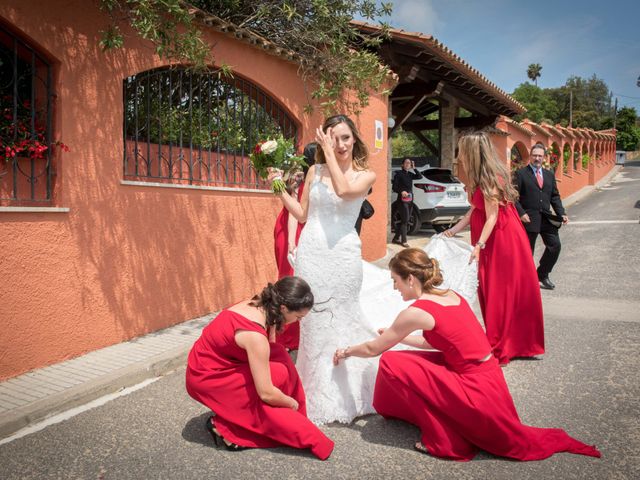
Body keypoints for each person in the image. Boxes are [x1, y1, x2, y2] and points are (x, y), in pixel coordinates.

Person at [334, 248, 601, 462]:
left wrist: (346, 351)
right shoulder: (452, 296)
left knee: (391, 361)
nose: (395, 288)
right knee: (399, 358)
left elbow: (374, 349)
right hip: (490, 379)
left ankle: (443, 439)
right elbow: (442, 343)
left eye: (395, 281)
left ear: (411, 279)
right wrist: (401, 336)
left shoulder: (415, 312)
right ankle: (442, 425)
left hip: (473, 389)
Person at [268, 114, 380, 424]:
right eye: (333, 139)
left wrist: (327, 152)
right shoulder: (315, 171)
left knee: (342, 317)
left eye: (344, 138)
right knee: (314, 323)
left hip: (343, 255)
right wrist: (279, 188)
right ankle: (314, 391)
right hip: (312, 252)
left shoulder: (365, 175)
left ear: (354, 139)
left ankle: (350, 393)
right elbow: (302, 214)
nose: (340, 144)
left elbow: (344, 191)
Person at [185, 276, 334, 460]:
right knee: (266, 402)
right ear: (283, 308)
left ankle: (273, 417)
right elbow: (266, 393)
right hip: (207, 377)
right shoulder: (255, 337)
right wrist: (290, 403)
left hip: (220, 362)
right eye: (298, 317)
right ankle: (224, 428)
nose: (298, 322)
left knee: (280, 358)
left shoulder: (263, 303)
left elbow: (271, 345)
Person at [444, 131, 544, 365]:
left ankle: (500, 345)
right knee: (493, 291)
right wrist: (453, 230)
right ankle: (512, 342)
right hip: (493, 238)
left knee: (499, 292)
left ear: (473, 154)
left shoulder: (491, 179)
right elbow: (474, 211)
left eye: (463, 152)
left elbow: (491, 216)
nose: (460, 157)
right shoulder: (480, 177)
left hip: (501, 240)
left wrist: (479, 245)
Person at [272, 143, 316, 351]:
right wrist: (291, 240)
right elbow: (293, 212)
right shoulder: (300, 177)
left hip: (301, 228)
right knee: (290, 278)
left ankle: (294, 334)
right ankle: (287, 337)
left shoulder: (312, 177)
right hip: (292, 229)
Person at [514, 143, 569, 290]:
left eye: (540, 156)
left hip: (546, 218)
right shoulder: (520, 174)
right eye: (534, 155)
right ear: (530, 156)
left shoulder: (549, 175)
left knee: (555, 246)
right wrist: (521, 213)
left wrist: (561, 213)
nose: (537, 158)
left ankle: (542, 274)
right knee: (527, 253)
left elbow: (555, 196)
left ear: (544, 157)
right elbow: (513, 197)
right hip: (529, 219)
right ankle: (526, 280)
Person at [391, 158, 422, 247]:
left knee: (406, 220)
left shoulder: (410, 174)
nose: (408, 164)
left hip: (410, 200)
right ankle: (404, 241)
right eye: (406, 162)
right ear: (402, 165)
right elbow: (394, 187)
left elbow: (419, 176)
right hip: (401, 201)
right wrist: (401, 191)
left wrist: (414, 168)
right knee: (405, 220)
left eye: (409, 163)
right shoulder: (399, 174)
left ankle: (396, 238)